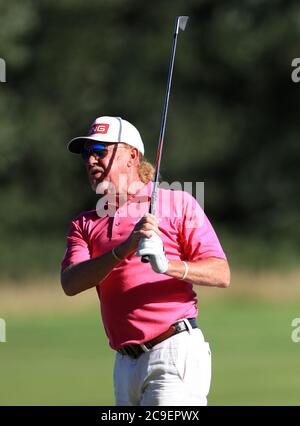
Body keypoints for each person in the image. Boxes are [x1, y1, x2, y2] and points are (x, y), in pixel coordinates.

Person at [61, 115, 230, 406]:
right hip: (124, 365)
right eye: (87, 154)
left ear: (132, 156)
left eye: (100, 151)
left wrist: (168, 265)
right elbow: (71, 282)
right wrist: (122, 250)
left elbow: (220, 272)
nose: (90, 161)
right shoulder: (84, 224)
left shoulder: (177, 203)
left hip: (172, 352)